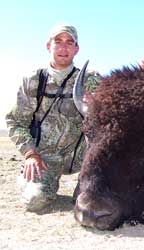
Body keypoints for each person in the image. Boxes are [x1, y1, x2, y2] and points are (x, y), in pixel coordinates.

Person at [6, 24, 101, 212]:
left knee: (88, 201)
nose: (63, 48)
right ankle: (29, 179)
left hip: (83, 156)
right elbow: (15, 122)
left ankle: (84, 187)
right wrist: (30, 154)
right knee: (35, 201)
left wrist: (97, 105)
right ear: (48, 46)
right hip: (44, 158)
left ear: (76, 49)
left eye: (69, 42)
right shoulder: (32, 80)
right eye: (58, 42)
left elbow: (108, 121)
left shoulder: (92, 79)